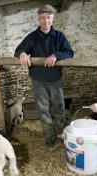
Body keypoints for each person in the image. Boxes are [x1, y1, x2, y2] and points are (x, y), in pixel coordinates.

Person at [14, 4, 74, 148]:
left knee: (60, 109)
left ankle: (61, 137)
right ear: (38, 19)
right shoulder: (32, 37)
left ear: (53, 19)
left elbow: (69, 53)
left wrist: (56, 54)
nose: (45, 21)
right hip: (38, 80)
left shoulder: (59, 36)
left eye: (48, 17)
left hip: (55, 80)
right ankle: (49, 139)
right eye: (42, 18)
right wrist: (22, 53)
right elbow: (19, 49)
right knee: (43, 111)